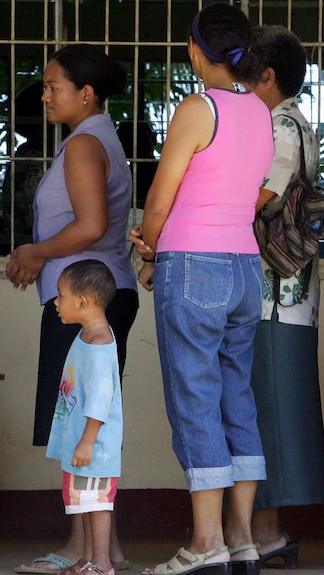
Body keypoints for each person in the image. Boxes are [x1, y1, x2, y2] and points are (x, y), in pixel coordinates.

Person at [132, 5, 273, 575]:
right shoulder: (261, 112)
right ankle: (241, 537)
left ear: (195, 51)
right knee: (236, 394)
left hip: (193, 264)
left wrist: (149, 246)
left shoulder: (197, 108)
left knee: (195, 398)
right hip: (245, 266)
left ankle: (206, 540)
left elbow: (161, 200)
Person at [8, 44, 139, 575]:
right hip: (92, 297)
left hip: (88, 302)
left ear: (86, 93)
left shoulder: (85, 144)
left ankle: (88, 550)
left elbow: (88, 226)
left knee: (84, 423)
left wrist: (34, 253)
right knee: (81, 423)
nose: (44, 94)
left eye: (53, 85)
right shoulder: (94, 137)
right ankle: (90, 545)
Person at [247, 24, 324, 568]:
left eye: (246, 76)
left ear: (268, 77)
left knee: (270, 411)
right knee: (271, 410)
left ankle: (269, 532)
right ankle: (266, 529)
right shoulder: (292, 122)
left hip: (274, 294)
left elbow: (266, 196)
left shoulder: (280, 126)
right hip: (288, 291)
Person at [47, 260, 123, 575]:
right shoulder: (87, 337)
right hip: (82, 443)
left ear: (82, 302)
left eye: (60, 295)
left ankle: (101, 564)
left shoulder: (100, 344)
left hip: (94, 446)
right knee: (86, 504)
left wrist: (87, 442)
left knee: (97, 504)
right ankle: (89, 559)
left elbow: (100, 399)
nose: (56, 302)